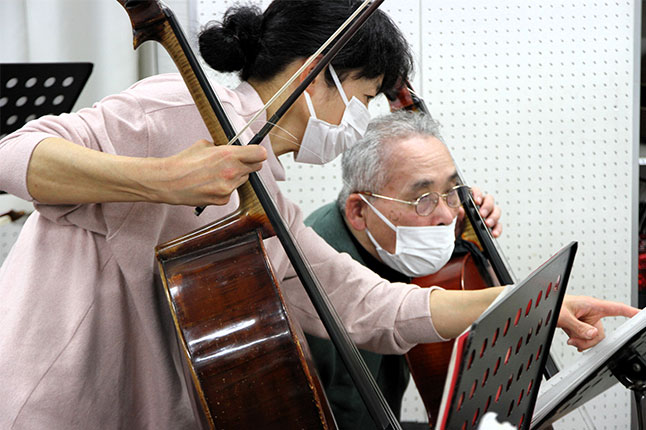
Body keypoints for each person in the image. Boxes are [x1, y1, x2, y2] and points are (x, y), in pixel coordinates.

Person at [0, 1, 636, 428]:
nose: (363, 120)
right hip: (55, 403)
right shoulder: (178, 107)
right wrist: (162, 179)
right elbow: (13, 152)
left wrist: (523, 305)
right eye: (364, 96)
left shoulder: (269, 201)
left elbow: (369, 305)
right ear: (315, 76)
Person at [304, 110, 502, 428]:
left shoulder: (397, 249)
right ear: (359, 211)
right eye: (422, 198)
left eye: (451, 192)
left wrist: (476, 247)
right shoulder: (315, 281)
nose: (446, 216)